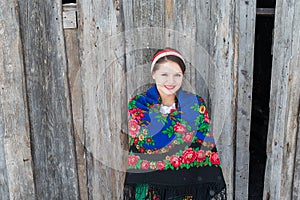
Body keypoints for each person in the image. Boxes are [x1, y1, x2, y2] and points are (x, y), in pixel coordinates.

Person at [124, 48, 226, 200]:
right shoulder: (139, 104)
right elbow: (146, 140)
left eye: (177, 75)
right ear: (154, 74)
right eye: (164, 74)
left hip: (189, 185)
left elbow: (202, 143)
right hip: (150, 186)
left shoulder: (196, 104)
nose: (170, 81)